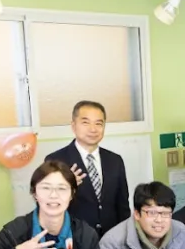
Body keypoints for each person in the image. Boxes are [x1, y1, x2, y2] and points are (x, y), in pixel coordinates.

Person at [44, 100, 130, 237]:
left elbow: (123, 205)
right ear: (73, 126)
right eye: (85, 122)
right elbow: (47, 206)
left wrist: (125, 237)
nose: (93, 129)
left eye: (98, 123)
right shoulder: (55, 161)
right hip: (74, 238)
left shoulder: (115, 160)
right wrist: (65, 187)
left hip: (111, 239)